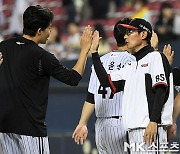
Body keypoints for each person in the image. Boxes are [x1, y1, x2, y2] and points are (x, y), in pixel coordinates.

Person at [0, 5, 93, 154]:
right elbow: (73, 78)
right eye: (49, 28)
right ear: (39, 31)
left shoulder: (3, 47)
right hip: (30, 129)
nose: (50, 32)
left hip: (4, 127)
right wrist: (84, 50)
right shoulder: (42, 56)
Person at [90, 18, 173, 153]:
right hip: (133, 130)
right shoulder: (132, 65)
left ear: (143, 34)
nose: (125, 36)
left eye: (130, 32)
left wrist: (153, 121)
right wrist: (94, 53)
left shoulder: (155, 57)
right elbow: (106, 82)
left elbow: (161, 90)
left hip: (149, 128)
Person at [72, 18, 136, 154]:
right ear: (128, 36)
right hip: (120, 123)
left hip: (100, 126)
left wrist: (82, 123)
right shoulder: (133, 60)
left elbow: (91, 96)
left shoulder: (101, 60)